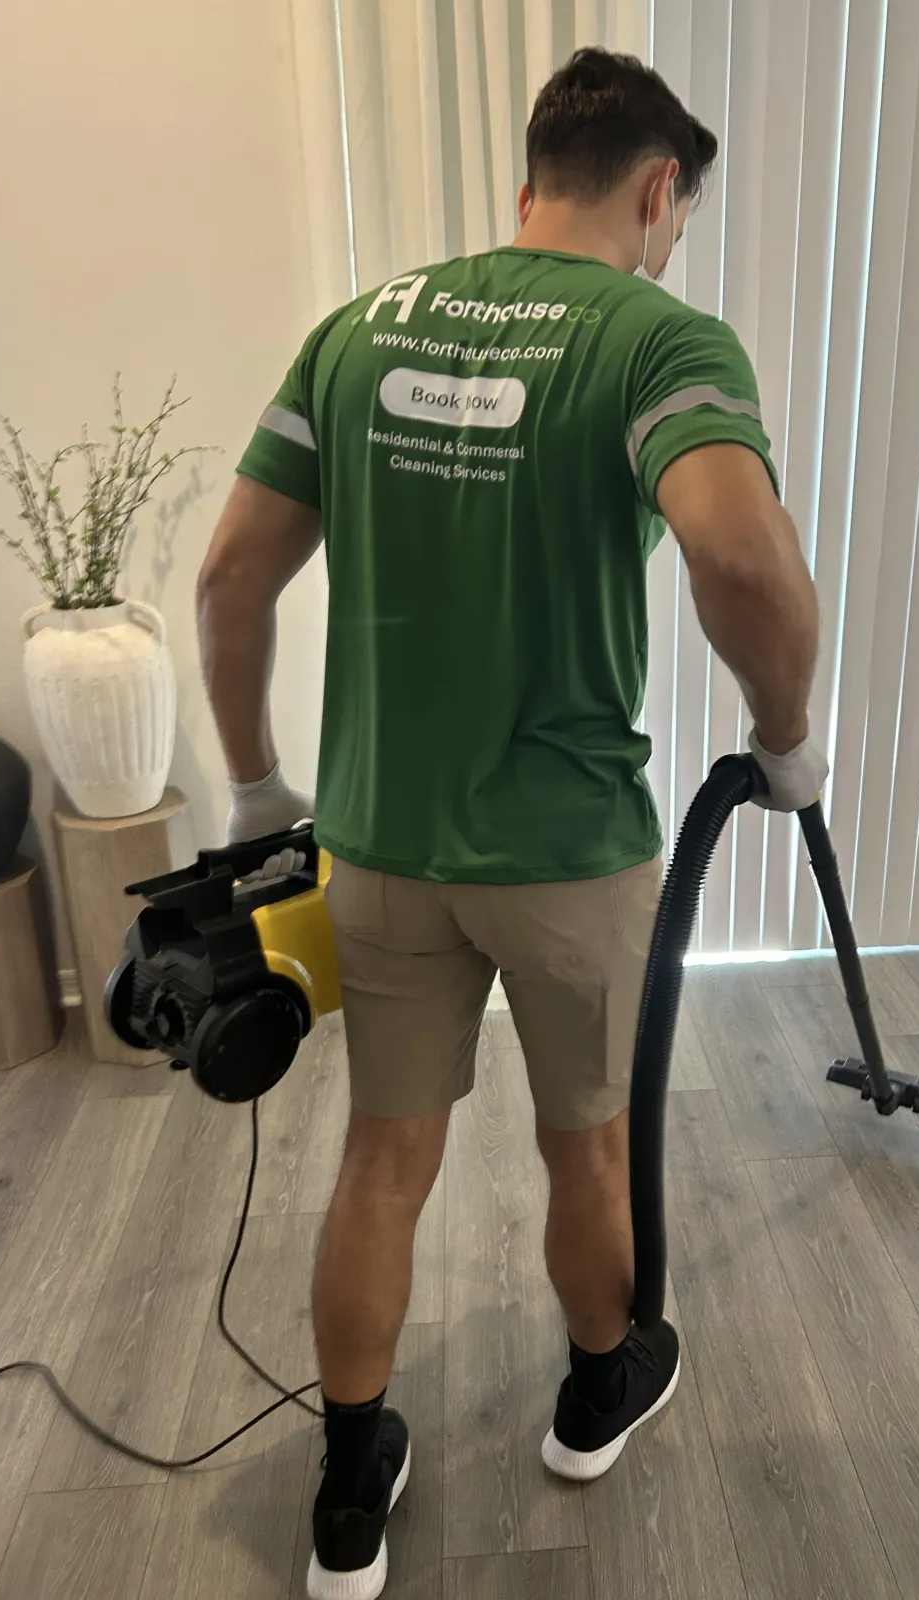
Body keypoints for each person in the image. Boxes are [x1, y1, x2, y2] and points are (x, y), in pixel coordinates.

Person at [197, 45, 825, 1600]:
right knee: (586, 1151)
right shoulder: (651, 336)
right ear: (659, 187)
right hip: (565, 854)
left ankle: (351, 1491)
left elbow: (226, 580)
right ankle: (593, 1398)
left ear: (529, 172)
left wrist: (261, 783)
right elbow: (742, 567)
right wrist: (785, 739)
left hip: (385, 846)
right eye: (678, 213)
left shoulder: (356, 332)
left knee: (384, 1162)